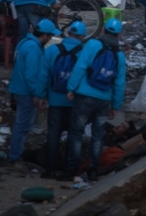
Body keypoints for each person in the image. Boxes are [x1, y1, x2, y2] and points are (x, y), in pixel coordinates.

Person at [65, 18, 127, 181]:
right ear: (119, 35)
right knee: (98, 136)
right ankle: (92, 170)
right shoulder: (119, 56)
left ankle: (73, 168)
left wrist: (71, 88)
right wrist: (115, 105)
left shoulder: (92, 45)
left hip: (85, 95)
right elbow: (119, 83)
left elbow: (80, 67)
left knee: (76, 133)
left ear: (103, 30)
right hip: (103, 100)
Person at [8, 18, 59, 164]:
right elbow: (32, 74)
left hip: (18, 88)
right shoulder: (33, 48)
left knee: (20, 124)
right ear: (45, 35)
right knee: (22, 125)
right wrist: (38, 94)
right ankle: (15, 157)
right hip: (26, 91)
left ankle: (15, 154)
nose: (50, 39)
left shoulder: (24, 43)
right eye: (50, 36)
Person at [40, 20, 86, 178]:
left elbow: (44, 76)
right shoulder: (84, 53)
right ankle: (70, 169)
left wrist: (41, 96)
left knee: (53, 134)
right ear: (81, 36)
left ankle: (50, 168)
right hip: (75, 101)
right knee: (74, 135)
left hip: (55, 99)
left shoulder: (52, 50)